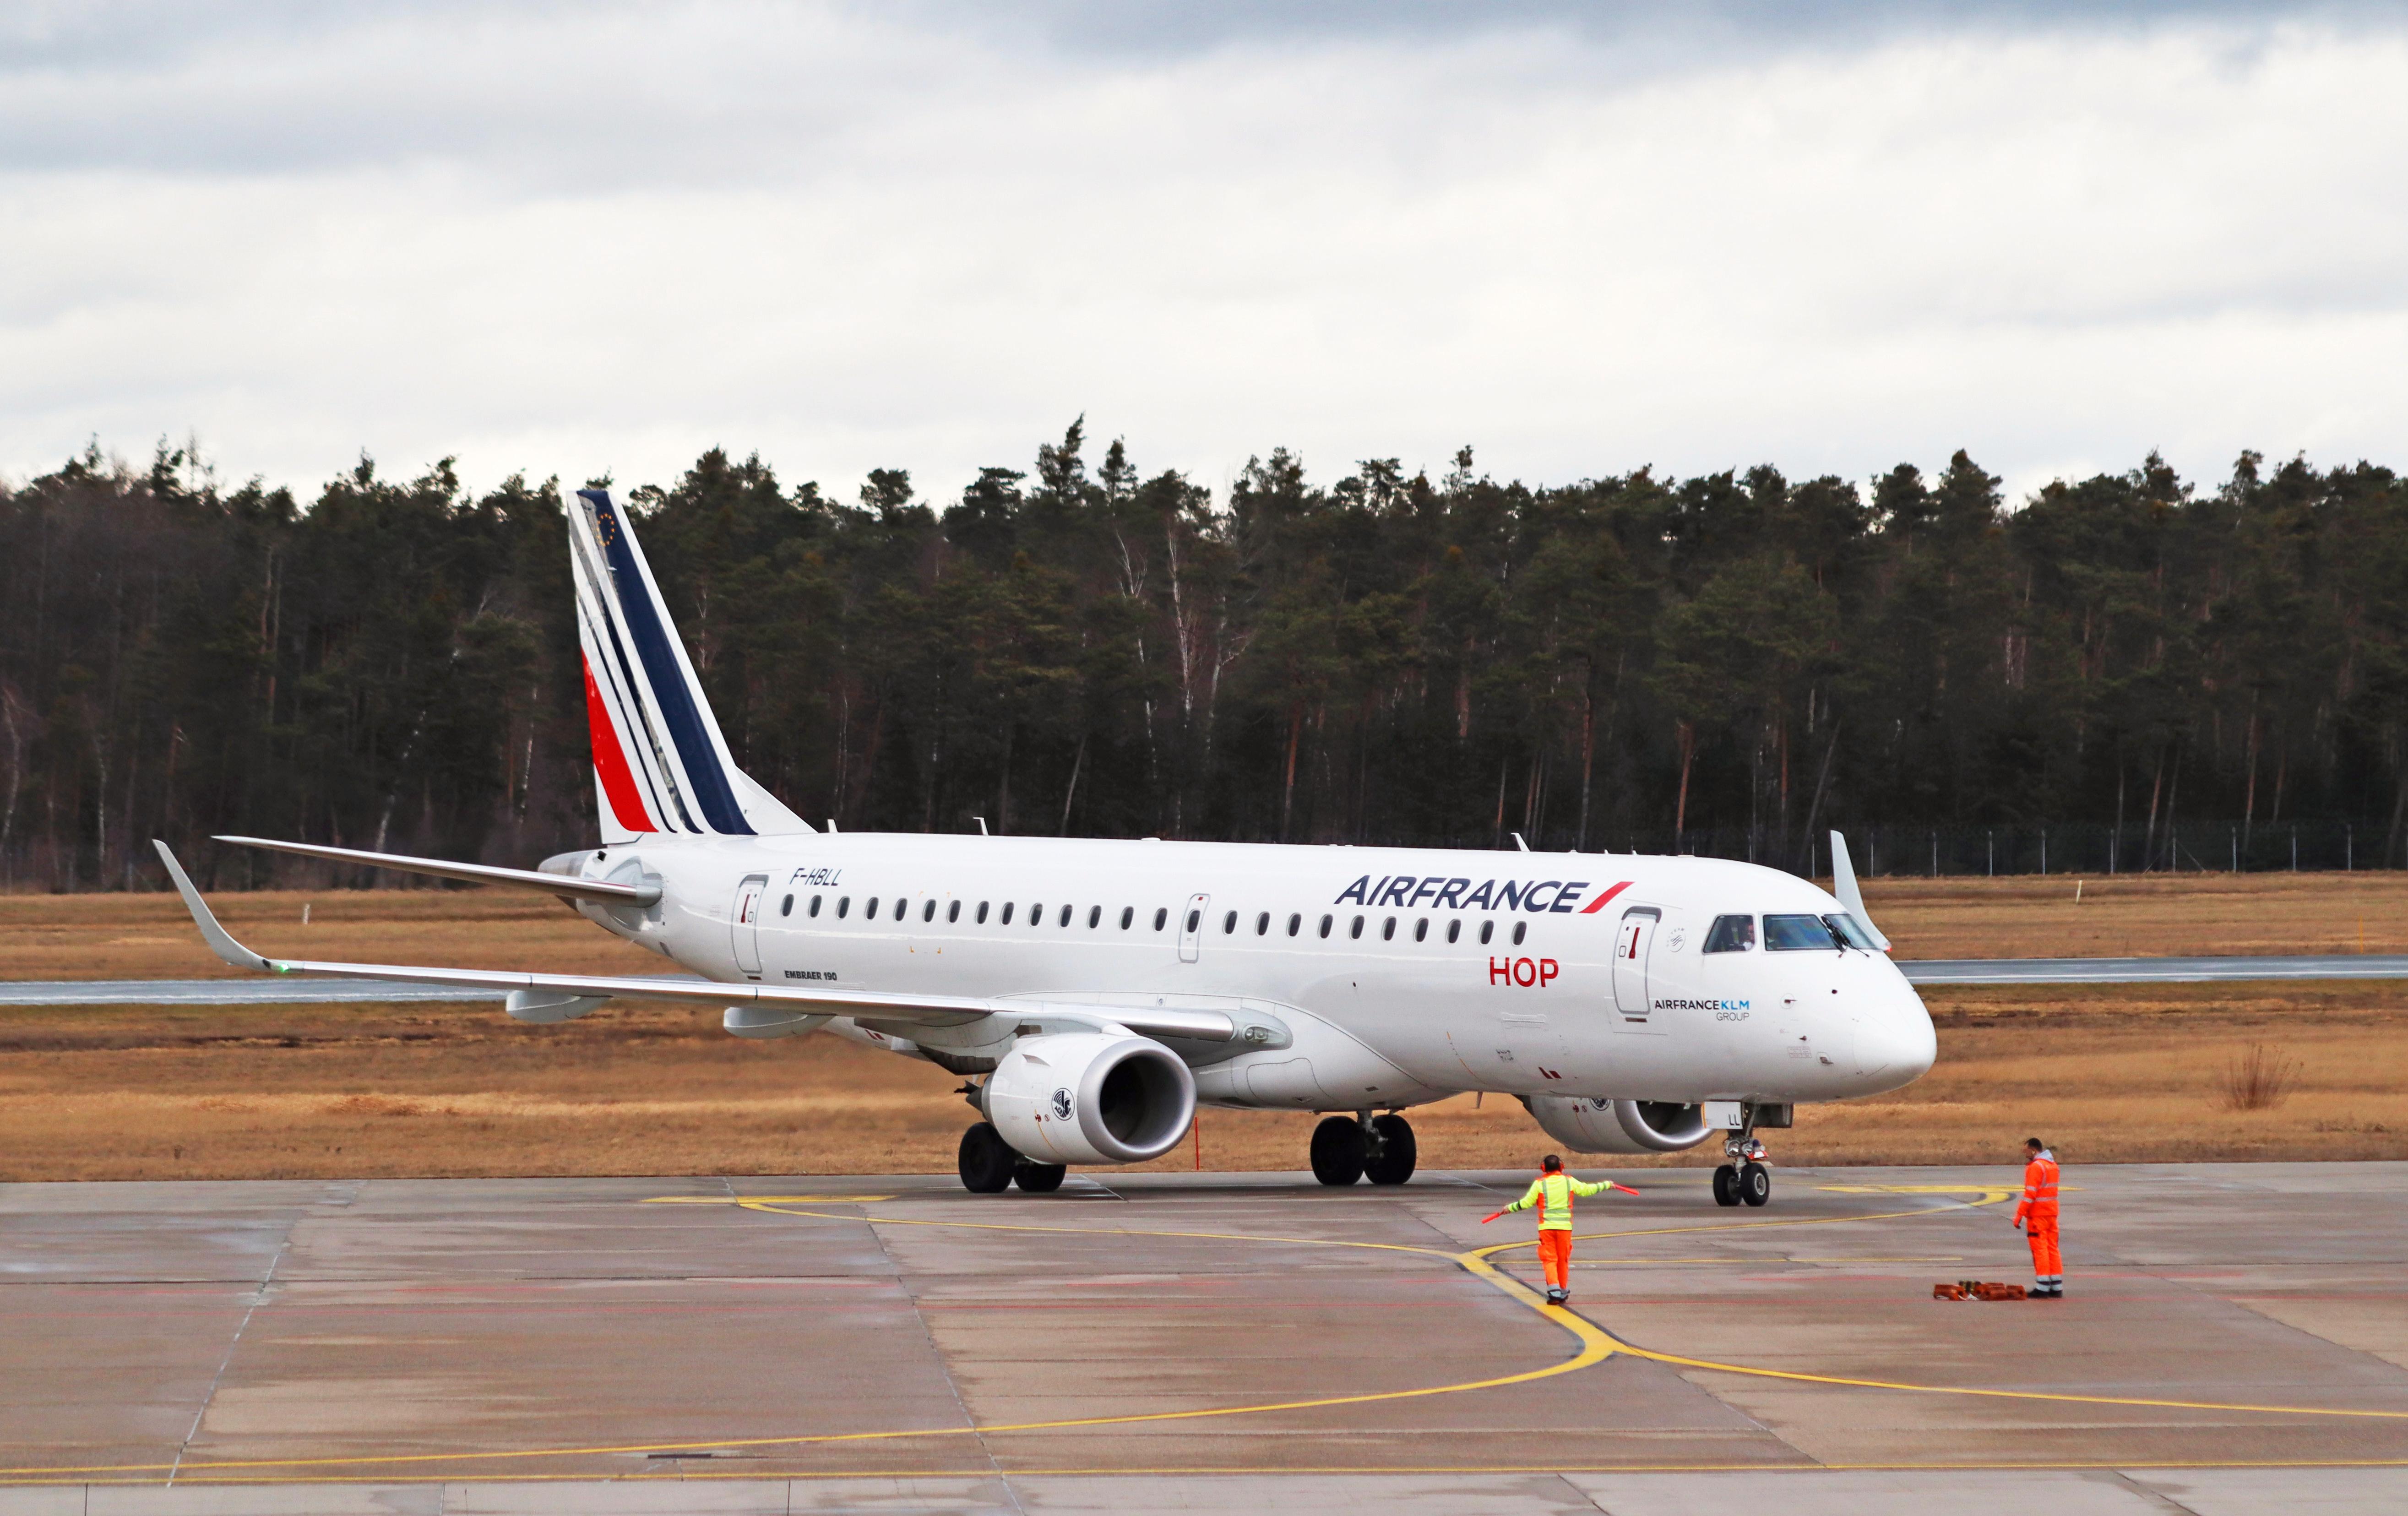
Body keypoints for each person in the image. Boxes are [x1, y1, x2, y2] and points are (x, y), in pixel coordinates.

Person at [1495, 1154, 1616, 1305]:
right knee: (1563, 1260)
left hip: (1547, 1229)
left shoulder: (1540, 1184)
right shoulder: (1569, 1182)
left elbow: (1526, 1203)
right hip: (1565, 1229)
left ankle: (1554, 1293)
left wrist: (1509, 1208)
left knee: (1549, 1260)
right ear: (1562, 1167)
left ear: (1544, 1168)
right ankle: (1563, 1290)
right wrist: (1606, 1185)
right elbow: (1587, 1190)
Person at [2012, 1136, 2062, 1299]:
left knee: (2040, 1250)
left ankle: (2042, 1288)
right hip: (2051, 1214)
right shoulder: (2052, 1166)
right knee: (2052, 1249)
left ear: (2033, 1150)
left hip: (2038, 1216)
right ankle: (2056, 1286)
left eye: (2026, 1150)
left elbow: (2030, 1195)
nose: (2024, 1153)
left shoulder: (2036, 1167)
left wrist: (2019, 1215)